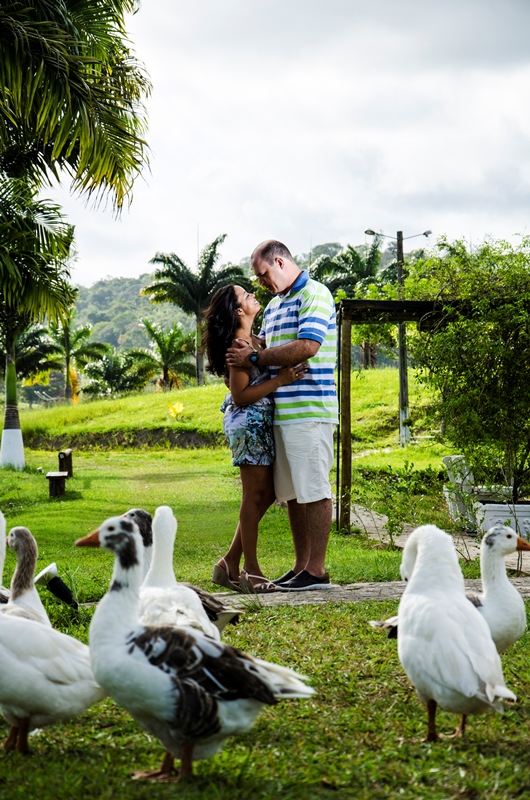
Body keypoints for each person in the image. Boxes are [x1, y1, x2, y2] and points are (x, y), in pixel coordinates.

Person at [226, 240, 338, 591]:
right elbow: (267, 345)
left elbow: (307, 346)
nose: (260, 283)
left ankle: (317, 570)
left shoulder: (314, 294)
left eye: (262, 274)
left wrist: (254, 358)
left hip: (309, 408)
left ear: (279, 262)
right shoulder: (275, 305)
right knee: (292, 493)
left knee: (314, 488)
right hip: (281, 411)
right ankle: (301, 565)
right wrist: (248, 346)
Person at [204, 284, 306, 593]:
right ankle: (251, 569)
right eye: (245, 295)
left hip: (258, 422)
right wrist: (280, 380)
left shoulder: (256, 341)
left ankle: (229, 562)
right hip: (248, 422)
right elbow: (240, 395)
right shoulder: (239, 345)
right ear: (238, 310)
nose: (252, 295)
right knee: (253, 496)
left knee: (269, 492)